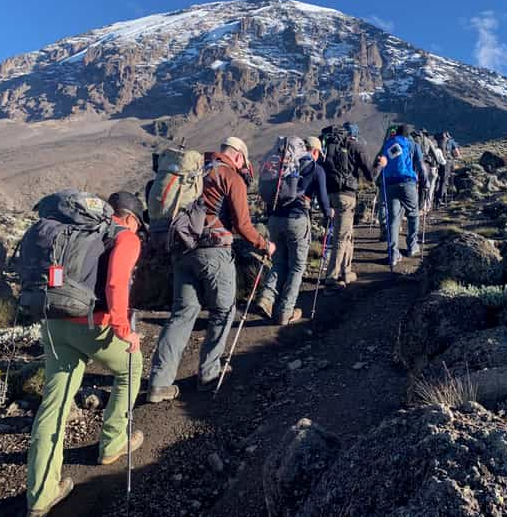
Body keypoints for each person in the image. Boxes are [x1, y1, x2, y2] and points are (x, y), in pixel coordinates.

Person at [26, 192, 145, 517]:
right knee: (132, 366)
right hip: (94, 326)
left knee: (54, 404)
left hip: (53, 323)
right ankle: (112, 443)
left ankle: (40, 494)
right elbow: (116, 286)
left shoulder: (76, 231)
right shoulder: (125, 237)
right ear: (132, 218)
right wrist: (124, 330)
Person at [147, 137, 275, 402]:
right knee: (223, 310)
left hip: (181, 249)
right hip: (214, 251)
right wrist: (264, 244)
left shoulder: (196, 170)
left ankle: (159, 382)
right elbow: (242, 224)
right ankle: (209, 374)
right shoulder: (230, 176)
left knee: (182, 314)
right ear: (239, 156)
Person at [255, 136, 334, 324]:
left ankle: (266, 298)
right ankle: (285, 311)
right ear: (314, 151)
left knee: (278, 262)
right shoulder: (316, 169)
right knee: (297, 266)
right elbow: (323, 200)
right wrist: (329, 213)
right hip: (297, 220)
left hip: (274, 219)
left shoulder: (285, 165)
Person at [321, 122, 377, 292]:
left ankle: (346, 271)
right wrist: (381, 164)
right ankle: (331, 279)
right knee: (341, 236)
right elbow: (371, 176)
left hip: (328, 194)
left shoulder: (330, 145)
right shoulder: (355, 146)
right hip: (346, 196)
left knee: (347, 234)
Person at [379, 124, 427, 265]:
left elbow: (381, 162)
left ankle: (393, 254)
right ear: (408, 135)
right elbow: (420, 165)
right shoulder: (412, 144)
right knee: (413, 213)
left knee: (393, 218)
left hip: (389, 184)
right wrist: (424, 182)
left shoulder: (388, 144)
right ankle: (412, 246)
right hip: (407, 182)